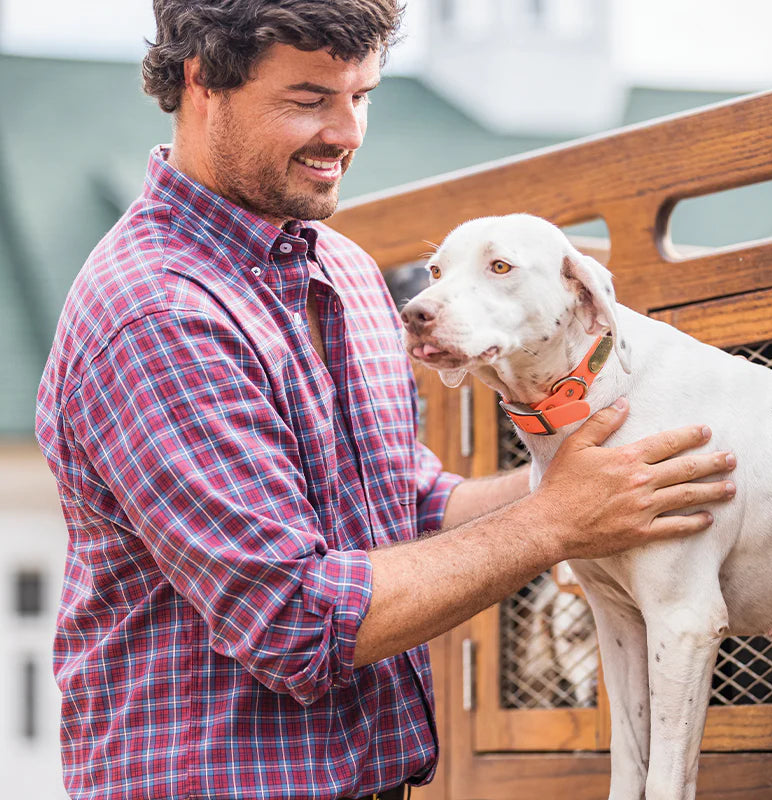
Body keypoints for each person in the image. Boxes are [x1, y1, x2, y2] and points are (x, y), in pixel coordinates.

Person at [35, 2, 736, 799]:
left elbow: (409, 503)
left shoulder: (345, 271)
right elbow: (292, 618)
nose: (347, 131)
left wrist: (596, 478)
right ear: (202, 81)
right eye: (309, 100)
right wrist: (556, 520)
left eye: (361, 95)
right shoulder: (157, 315)